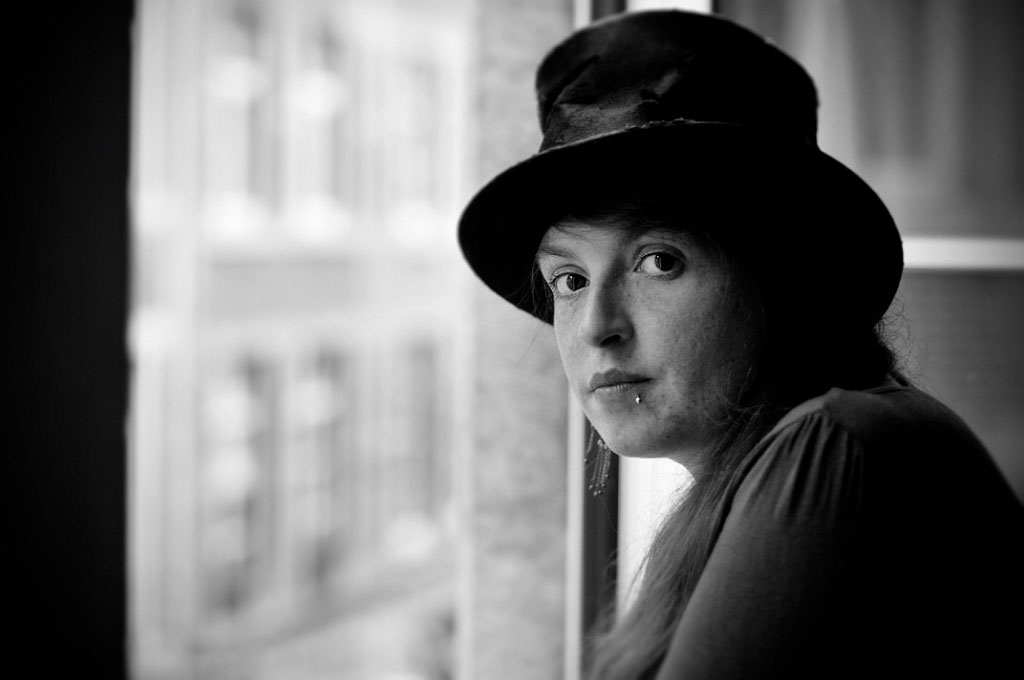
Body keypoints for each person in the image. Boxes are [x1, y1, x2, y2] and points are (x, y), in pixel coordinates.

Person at [458, 10, 1023, 680]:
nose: (595, 326)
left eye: (659, 261)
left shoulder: (834, 445)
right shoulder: (760, 481)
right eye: (570, 280)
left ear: (780, 278)